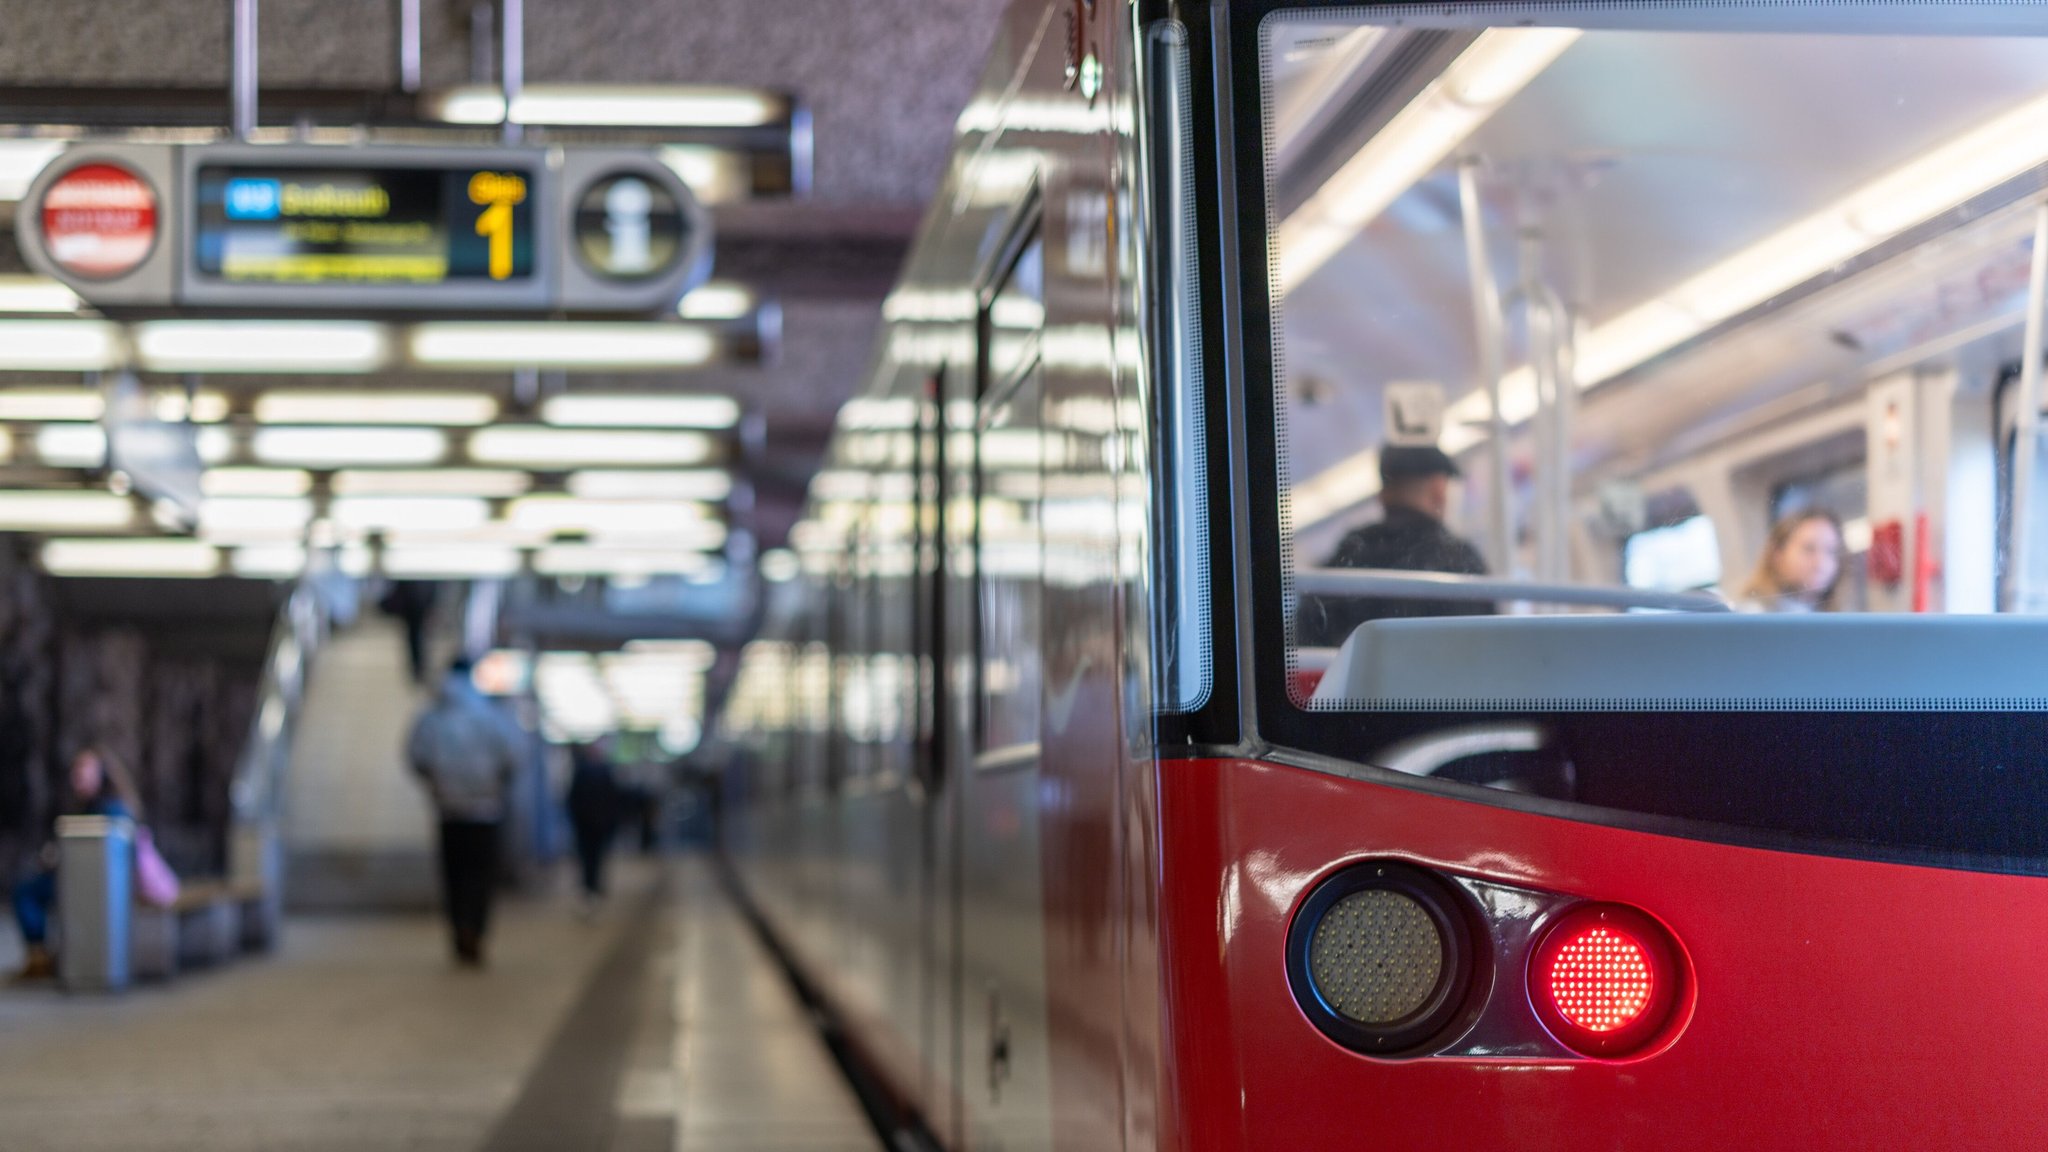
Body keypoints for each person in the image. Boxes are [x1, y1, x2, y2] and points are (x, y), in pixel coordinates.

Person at [1296, 444, 1494, 647]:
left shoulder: (1349, 554)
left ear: (1383, 495)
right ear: (1438, 491)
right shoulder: (1460, 560)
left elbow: (1308, 632)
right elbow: (1486, 642)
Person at [406, 656, 523, 967]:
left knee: (454, 876)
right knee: (480, 876)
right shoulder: (492, 714)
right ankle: (477, 932)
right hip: (486, 810)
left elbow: (416, 756)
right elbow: (512, 756)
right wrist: (496, 785)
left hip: (449, 811)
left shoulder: (433, 716)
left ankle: (459, 931)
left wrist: (437, 784)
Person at [11, 747, 138, 981]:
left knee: (25, 892)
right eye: (75, 771)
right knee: (26, 887)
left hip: (93, 885)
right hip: (80, 878)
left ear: (101, 774)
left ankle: (40, 957)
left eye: (84, 770)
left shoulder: (112, 809)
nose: (76, 776)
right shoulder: (88, 805)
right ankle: (39, 956)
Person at [1736, 509, 1844, 613]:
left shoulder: (1837, 616)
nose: (1820, 563)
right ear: (1777, 554)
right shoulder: (1750, 613)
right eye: (1809, 548)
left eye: (1831, 551)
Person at [564, 742, 621, 908]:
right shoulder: (598, 772)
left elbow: (612, 800)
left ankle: (591, 886)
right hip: (590, 825)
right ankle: (590, 886)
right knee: (590, 857)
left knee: (593, 857)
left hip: (593, 824)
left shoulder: (593, 772)